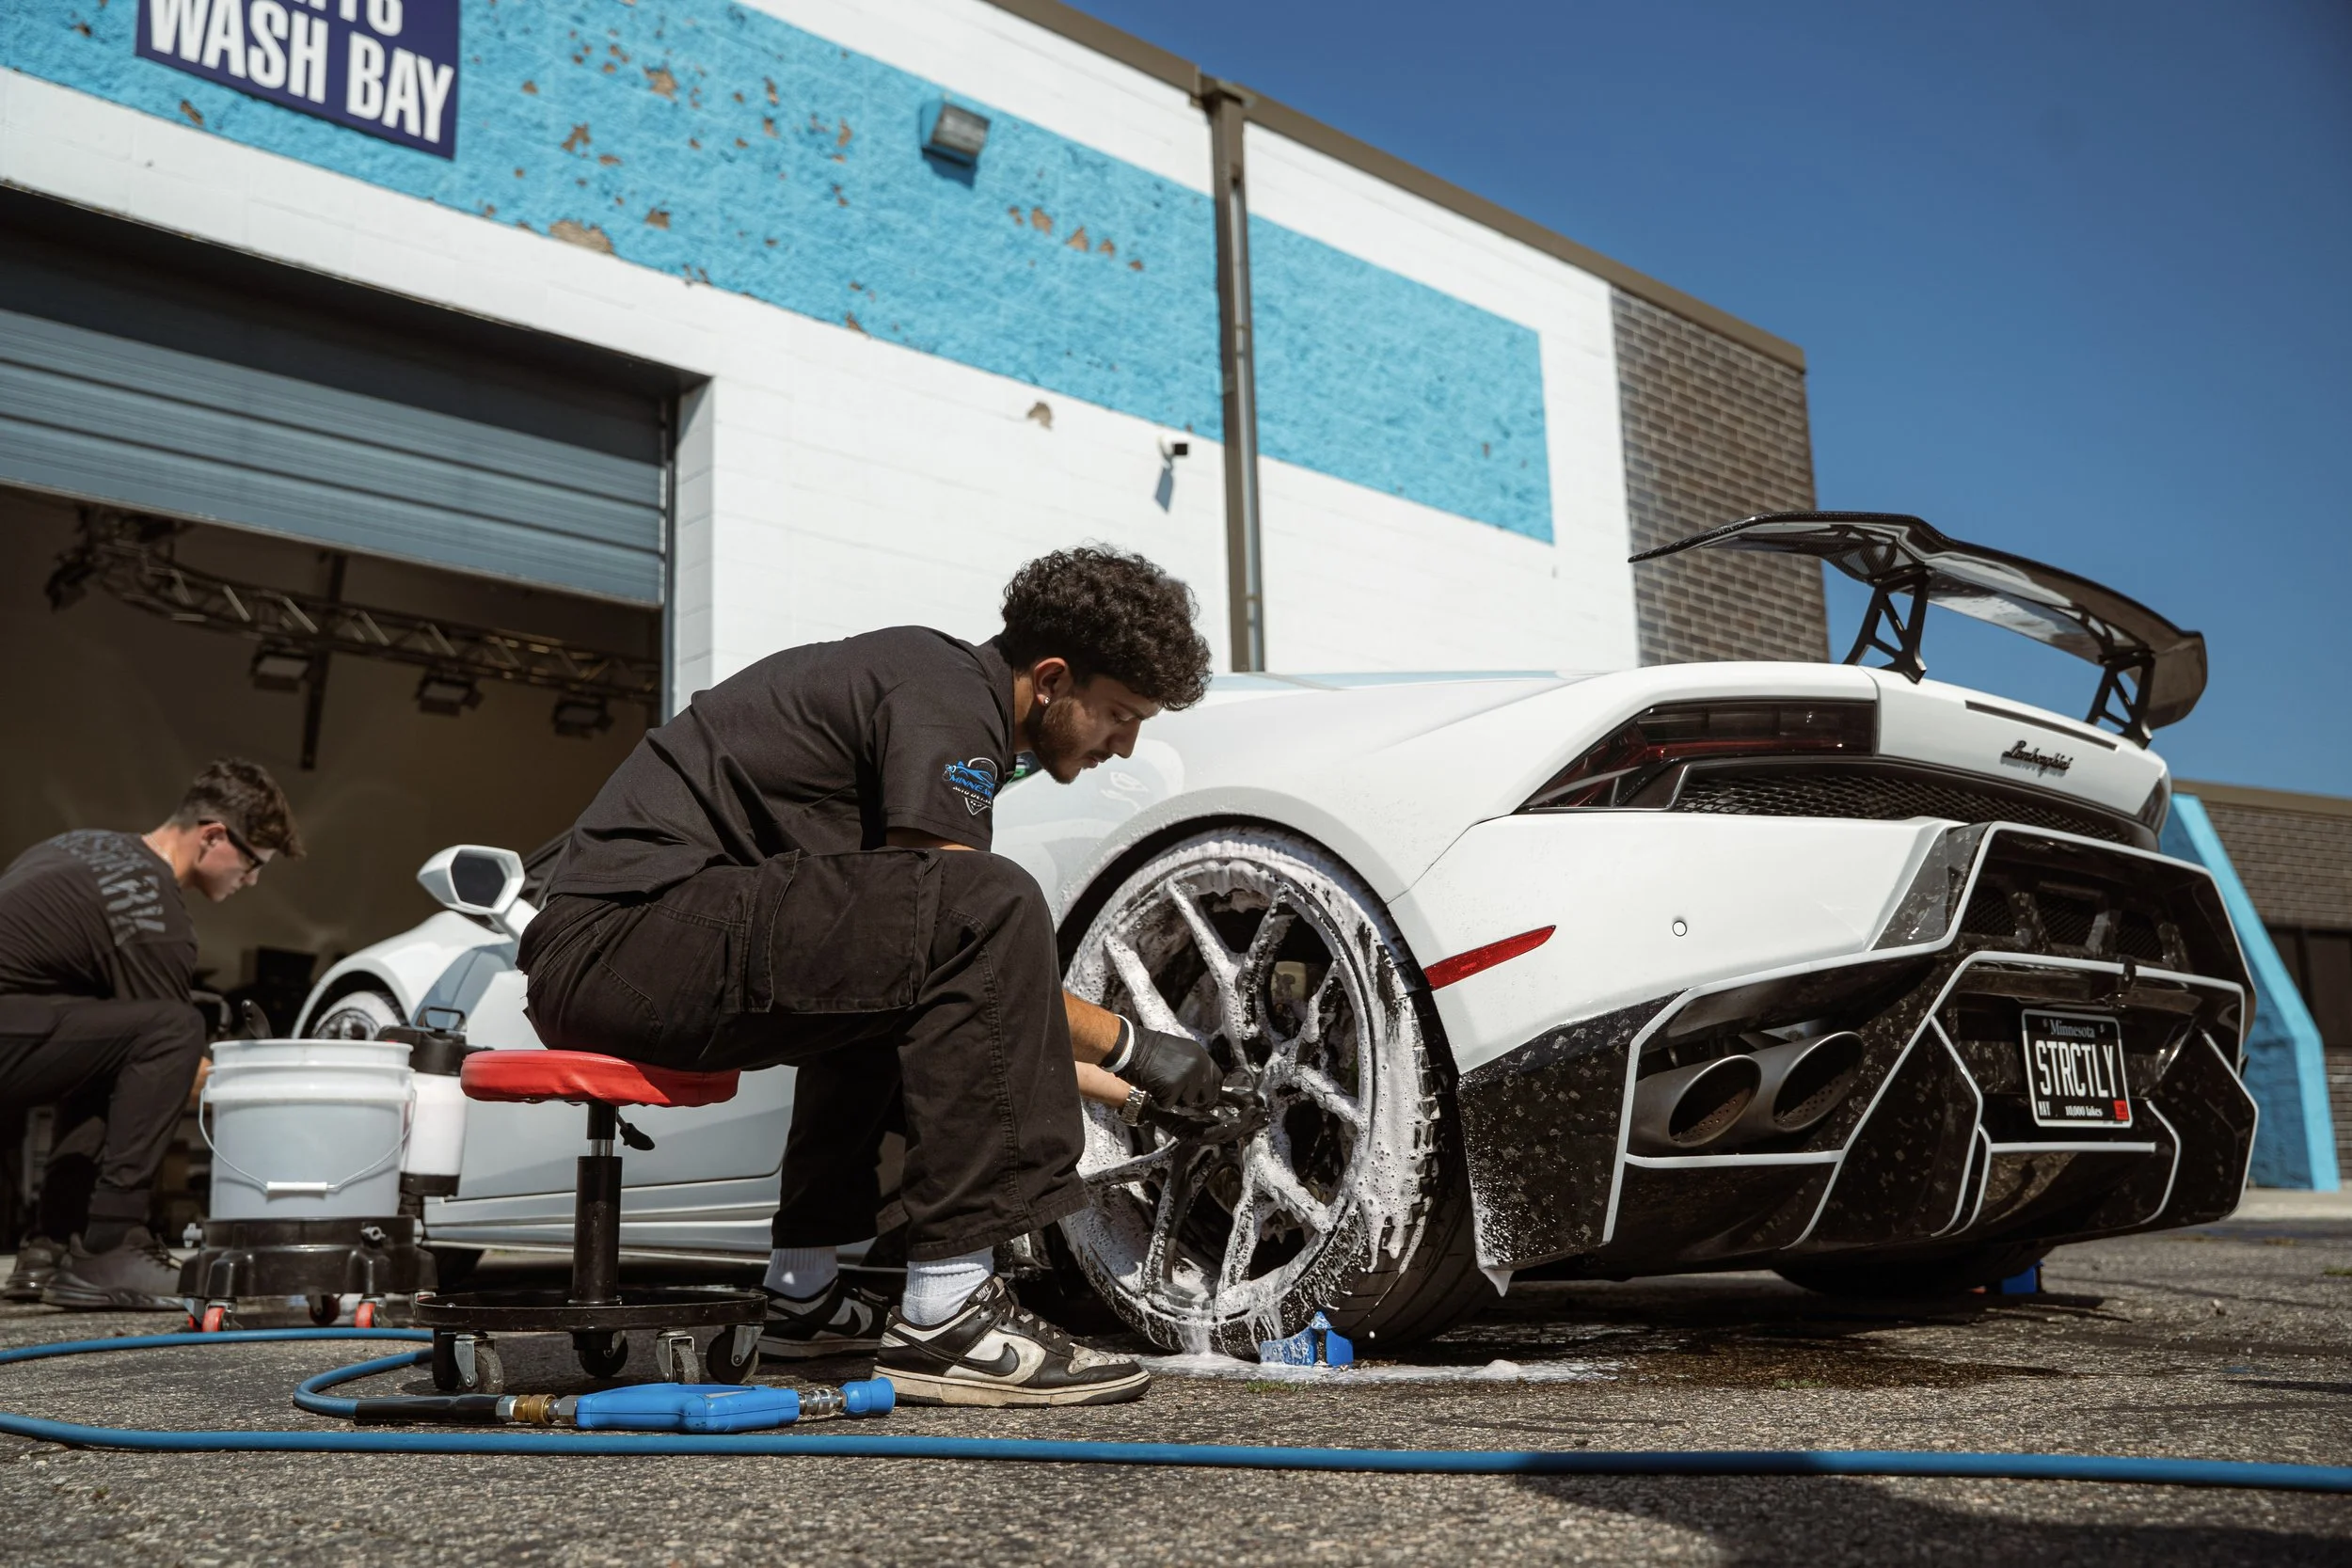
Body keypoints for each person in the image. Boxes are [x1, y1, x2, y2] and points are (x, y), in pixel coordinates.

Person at [519, 547, 1220, 1406]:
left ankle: (803, 1294)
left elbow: (973, 1018)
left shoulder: (938, 696)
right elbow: (973, 940)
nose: (1126, 743)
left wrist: (1133, 1091)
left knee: (897, 977)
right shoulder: (943, 696)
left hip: (626, 954)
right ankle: (950, 1315)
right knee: (987, 903)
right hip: (622, 938)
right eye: (1120, 713)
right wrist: (1137, 1045)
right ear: (1050, 678)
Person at [0, 759, 302, 1308]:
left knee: (117, 1046)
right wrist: (265, 1091)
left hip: (17, 1023)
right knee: (173, 1030)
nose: (252, 880)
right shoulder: (154, 915)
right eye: (253, 863)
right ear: (213, 836)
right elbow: (171, 1065)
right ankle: (113, 1243)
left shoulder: (83, 845)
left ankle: (50, 1248)